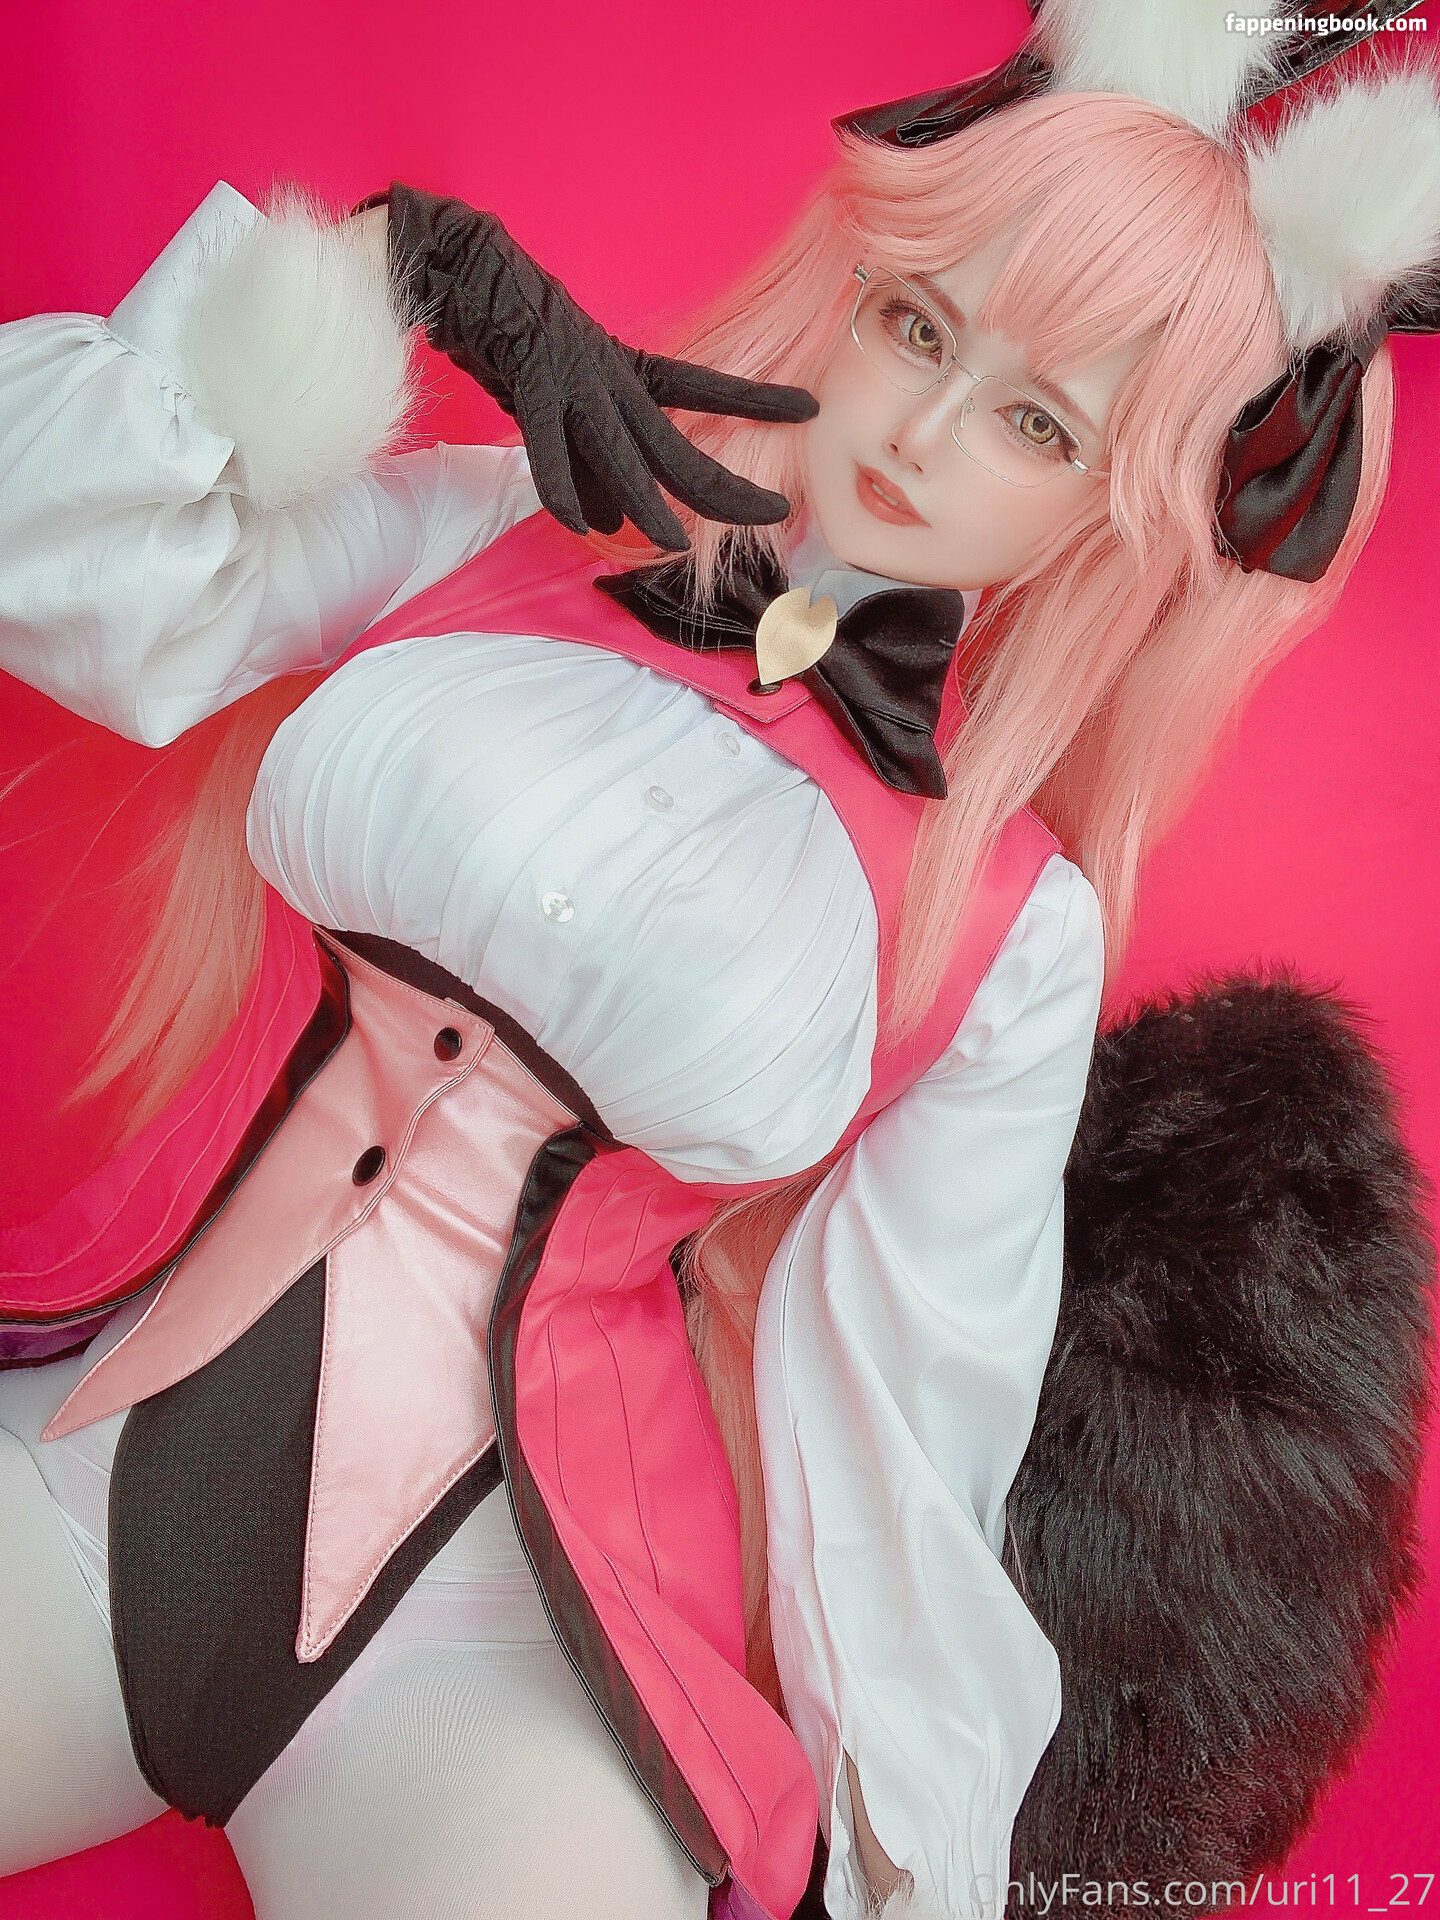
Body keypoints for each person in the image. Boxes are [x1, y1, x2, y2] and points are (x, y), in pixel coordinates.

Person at [0, 5, 1434, 1916]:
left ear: (1119, 506)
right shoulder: (497, 533)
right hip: (83, 1448)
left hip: (496, 1640)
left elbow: (912, 1421)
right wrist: (363, 283)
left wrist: (916, 1862)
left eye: (1039, 423)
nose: (921, 433)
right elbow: (41, 554)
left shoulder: (1011, 930)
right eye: (919, 326)